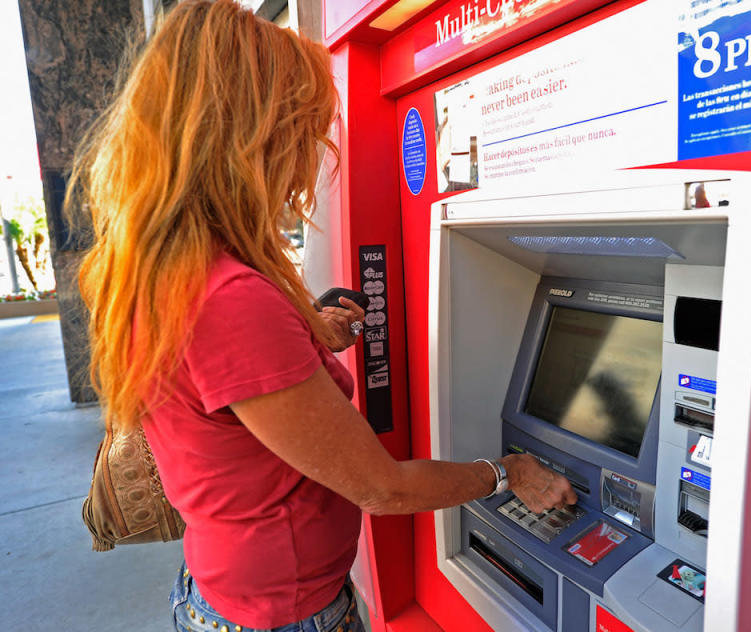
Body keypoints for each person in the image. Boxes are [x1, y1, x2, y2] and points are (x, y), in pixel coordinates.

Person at [66, 2, 577, 632]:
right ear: (250, 139)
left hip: (227, 593)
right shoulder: (227, 298)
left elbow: (224, 390)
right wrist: (511, 472)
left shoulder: (165, 268)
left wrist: (302, 332)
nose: (309, 159)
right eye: (303, 132)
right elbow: (381, 489)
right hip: (283, 614)